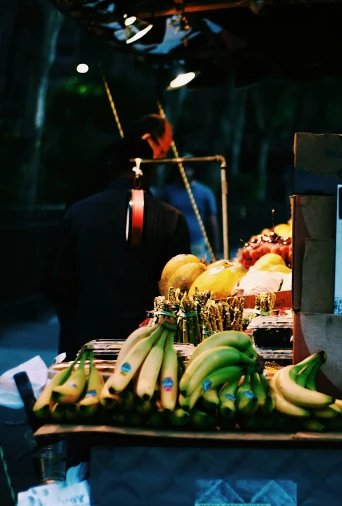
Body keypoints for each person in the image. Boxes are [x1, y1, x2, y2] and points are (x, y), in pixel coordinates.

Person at [47, 119, 190, 359]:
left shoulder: (77, 213)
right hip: (147, 349)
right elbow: (179, 292)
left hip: (85, 341)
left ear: (111, 169)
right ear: (152, 169)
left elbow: (61, 283)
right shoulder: (172, 219)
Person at [65, 114, 173, 209]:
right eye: (162, 152)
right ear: (147, 139)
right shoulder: (122, 174)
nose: (161, 161)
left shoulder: (107, 157)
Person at [158, 163, 220, 261]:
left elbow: (212, 221)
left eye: (188, 168)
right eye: (182, 168)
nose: (185, 171)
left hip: (197, 244)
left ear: (194, 170)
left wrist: (216, 250)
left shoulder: (205, 192)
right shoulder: (167, 192)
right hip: (174, 245)